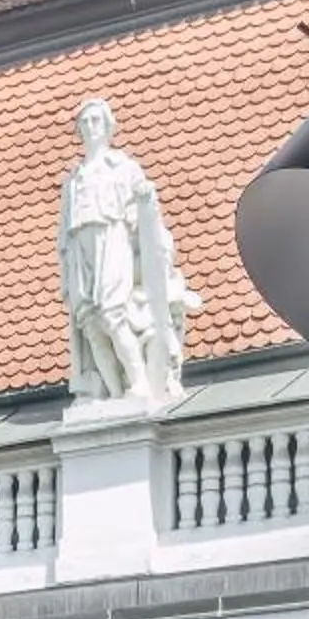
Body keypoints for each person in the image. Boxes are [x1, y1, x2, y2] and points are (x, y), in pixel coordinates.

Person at [57, 98, 199, 406]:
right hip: (81, 249)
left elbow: (144, 214)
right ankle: (114, 394)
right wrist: (67, 273)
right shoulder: (72, 180)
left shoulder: (122, 167)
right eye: (84, 122)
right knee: (90, 322)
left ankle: (138, 384)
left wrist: (147, 199)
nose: (89, 127)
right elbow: (63, 236)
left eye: (95, 120)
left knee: (112, 314)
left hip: (112, 241)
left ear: (108, 127)